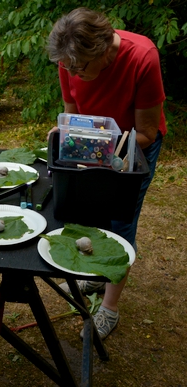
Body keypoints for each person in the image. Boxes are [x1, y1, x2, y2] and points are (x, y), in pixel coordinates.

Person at [46, 7, 166, 339]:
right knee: (90, 214)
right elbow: (71, 111)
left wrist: (101, 148)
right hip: (93, 142)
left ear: (102, 51)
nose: (72, 73)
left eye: (79, 68)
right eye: (67, 67)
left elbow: (147, 133)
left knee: (120, 221)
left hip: (133, 144)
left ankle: (109, 308)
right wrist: (65, 133)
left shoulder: (143, 57)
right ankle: (95, 276)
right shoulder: (71, 58)